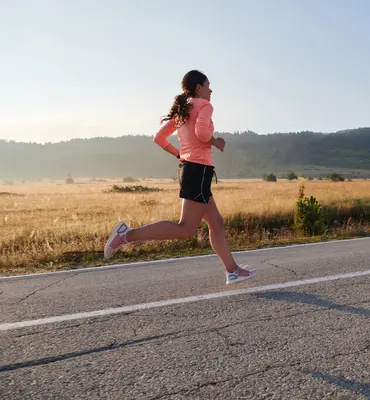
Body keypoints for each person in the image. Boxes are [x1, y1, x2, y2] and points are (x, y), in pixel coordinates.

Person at [104, 70, 256, 285]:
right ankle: (127, 235)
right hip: (198, 170)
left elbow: (159, 138)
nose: (211, 90)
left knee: (216, 222)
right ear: (198, 88)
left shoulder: (183, 111)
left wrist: (179, 154)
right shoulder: (204, 106)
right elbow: (202, 133)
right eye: (208, 85)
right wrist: (216, 142)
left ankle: (232, 270)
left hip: (190, 169)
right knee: (186, 228)